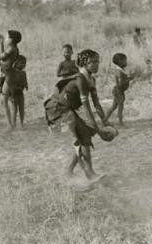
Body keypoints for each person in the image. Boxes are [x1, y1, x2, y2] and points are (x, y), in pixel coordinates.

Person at [44, 49, 112, 181]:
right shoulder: (80, 79)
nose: (97, 64)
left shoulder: (91, 79)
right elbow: (86, 108)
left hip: (67, 109)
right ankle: (89, 173)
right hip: (57, 109)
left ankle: (70, 171)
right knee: (77, 139)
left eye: (98, 61)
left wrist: (105, 120)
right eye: (93, 62)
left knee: (85, 135)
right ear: (85, 63)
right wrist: (98, 130)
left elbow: (96, 103)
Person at [104, 53, 134, 126]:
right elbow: (120, 83)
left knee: (113, 107)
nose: (126, 62)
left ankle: (104, 119)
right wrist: (129, 79)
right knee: (120, 106)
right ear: (120, 61)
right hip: (118, 91)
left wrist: (129, 77)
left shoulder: (121, 70)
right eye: (125, 61)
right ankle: (120, 123)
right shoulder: (119, 71)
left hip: (119, 91)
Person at [9, 55, 28, 129]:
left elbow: (25, 80)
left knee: (22, 109)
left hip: (20, 93)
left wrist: (26, 85)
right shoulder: (12, 73)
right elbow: (10, 84)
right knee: (14, 110)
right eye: (21, 63)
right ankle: (13, 125)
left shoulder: (23, 73)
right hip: (13, 94)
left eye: (24, 63)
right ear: (16, 63)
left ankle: (22, 124)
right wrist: (11, 96)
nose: (23, 65)